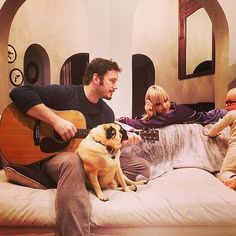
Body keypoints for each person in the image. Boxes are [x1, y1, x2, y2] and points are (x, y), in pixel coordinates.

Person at [9, 58, 150, 236]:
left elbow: (105, 150)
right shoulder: (66, 93)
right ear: (96, 79)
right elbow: (19, 92)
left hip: (89, 163)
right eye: (112, 80)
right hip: (56, 159)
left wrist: (122, 144)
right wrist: (55, 121)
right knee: (72, 161)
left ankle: (74, 182)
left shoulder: (107, 113)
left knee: (141, 167)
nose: (116, 86)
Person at [118, 85, 227, 129]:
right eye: (158, 104)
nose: (164, 105)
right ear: (152, 105)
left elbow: (147, 124)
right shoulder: (165, 114)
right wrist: (149, 115)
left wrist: (123, 120)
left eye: (166, 100)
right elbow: (146, 122)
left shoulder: (174, 113)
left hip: (216, 116)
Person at [204, 88, 236, 190]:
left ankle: (233, 179)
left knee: (225, 172)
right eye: (226, 103)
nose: (227, 106)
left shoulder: (231, 114)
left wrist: (211, 133)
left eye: (230, 102)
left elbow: (215, 129)